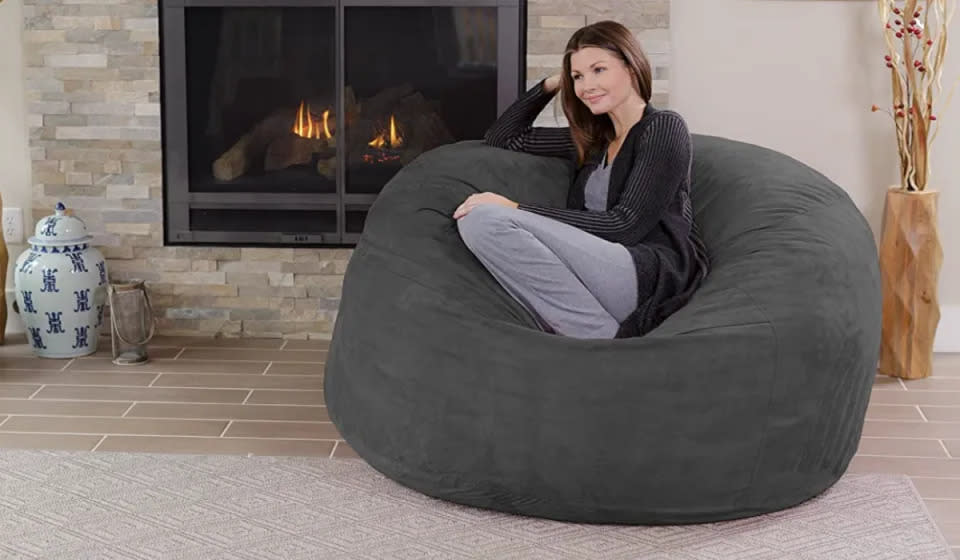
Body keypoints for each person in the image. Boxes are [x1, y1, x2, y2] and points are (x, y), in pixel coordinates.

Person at [454, 20, 709, 339]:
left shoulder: (663, 128)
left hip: (643, 273)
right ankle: (597, 334)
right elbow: (503, 137)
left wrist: (515, 208)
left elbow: (626, 226)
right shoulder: (593, 140)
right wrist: (551, 83)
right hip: (592, 269)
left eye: (599, 70)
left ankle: (594, 338)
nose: (587, 85)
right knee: (475, 222)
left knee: (488, 219)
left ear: (631, 68)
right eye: (577, 76)